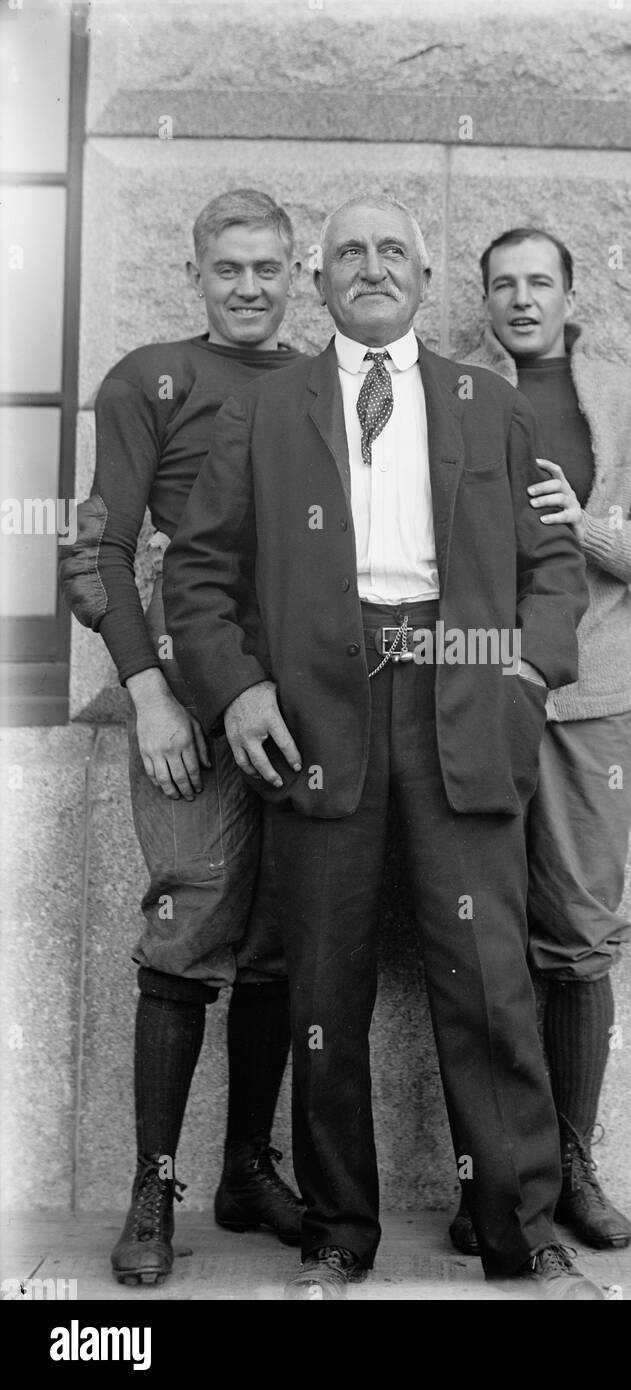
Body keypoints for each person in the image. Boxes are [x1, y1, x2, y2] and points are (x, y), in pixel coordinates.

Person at [163, 194, 604, 1301]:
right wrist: (238, 692)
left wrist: (522, 670)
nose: (371, 267)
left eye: (393, 252)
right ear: (320, 280)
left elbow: (554, 564)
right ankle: (335, 1237)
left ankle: (523, 1236)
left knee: (493, 983)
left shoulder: (487, 403)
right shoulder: (265, 413)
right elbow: (197, 576)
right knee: (323, 983)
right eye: (350, 252)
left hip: (465, 701)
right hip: (317, 716)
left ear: (421, 277)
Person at [59, 190, 310, 1287]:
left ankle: (247, 1168)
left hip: (298, 695)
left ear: (294, 273)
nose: (249, 287)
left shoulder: (322, 383)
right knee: (186, 925)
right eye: (229, 269)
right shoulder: (146, 377)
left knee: (282, 942)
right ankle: (152, 1185)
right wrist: (148, 691)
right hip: (186, 695)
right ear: (197, 273)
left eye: (267, 268)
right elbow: (97, 549)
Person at [448, 226, 631, 1257]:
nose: (520, 298)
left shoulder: (630, 400)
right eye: (502, 284)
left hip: (591, 704)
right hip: (471, 694)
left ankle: (574, 1167)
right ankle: (491, 1180)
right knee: (477, 937)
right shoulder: (449, 389)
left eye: (537, 282)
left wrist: (586, 524)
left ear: (569, 292)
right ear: (483, 300)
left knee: (581, 936)